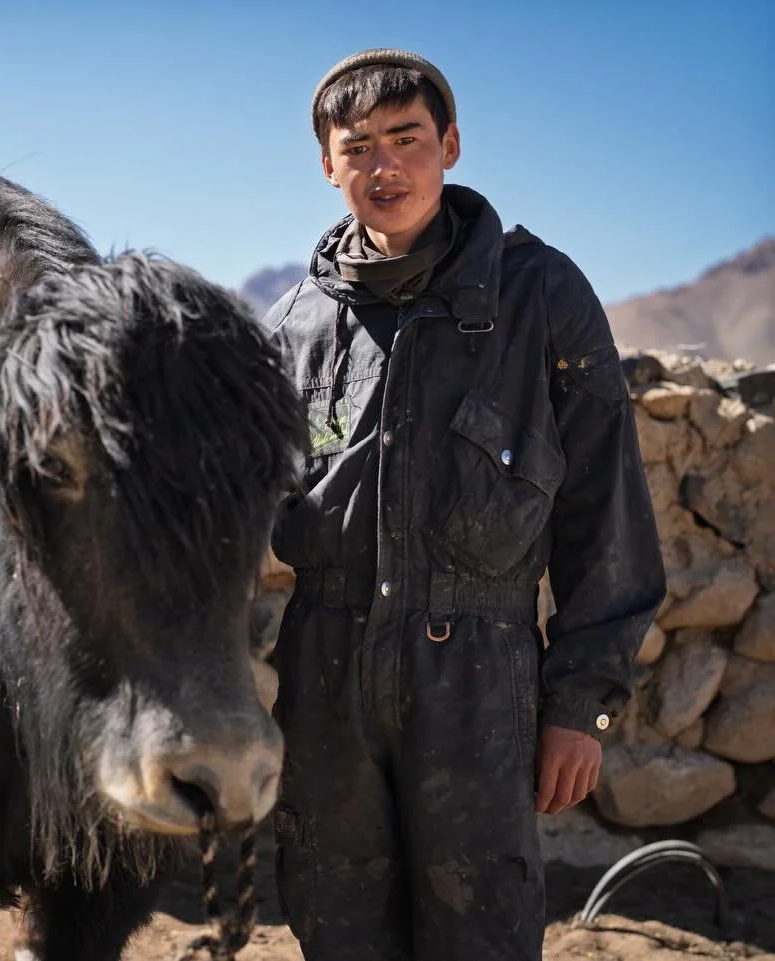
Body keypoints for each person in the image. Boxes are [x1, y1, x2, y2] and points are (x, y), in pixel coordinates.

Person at [261, 49, 666, 960]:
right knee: (335, 921)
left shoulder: (542, 295)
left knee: (479, 928)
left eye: (406, 139)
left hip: (480, 683)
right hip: (325, 678)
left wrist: (582, 704)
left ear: (449, 144)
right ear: (328, 165)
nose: (382, 166)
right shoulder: (293, 326)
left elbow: (606, 510)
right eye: (356, 147)